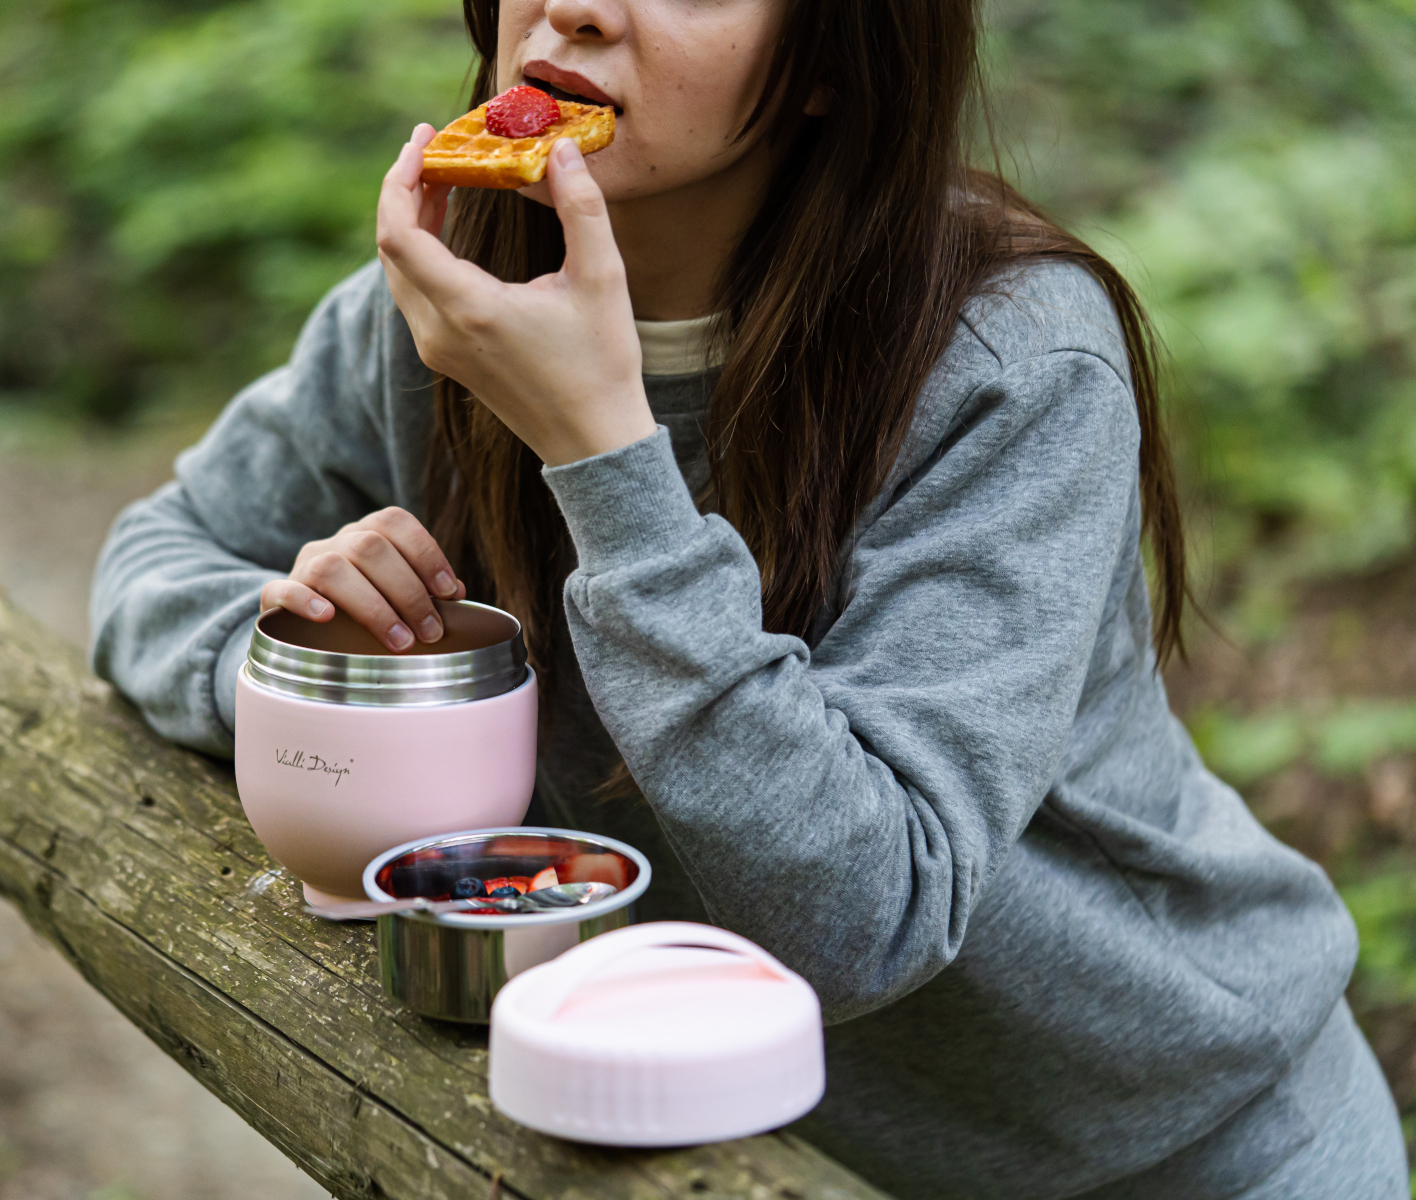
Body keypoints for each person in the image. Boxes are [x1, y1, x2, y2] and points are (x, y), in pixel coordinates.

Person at [89, 0, 1407, 1195]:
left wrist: (606, 461)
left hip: (1187, 1149)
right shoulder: (435, 313)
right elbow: (156, 566)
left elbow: (869, 917)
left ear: (832, 59)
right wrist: (305, 658)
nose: (578, 10)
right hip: (755, 1152)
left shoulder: (1008, 363)